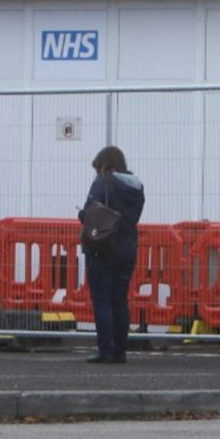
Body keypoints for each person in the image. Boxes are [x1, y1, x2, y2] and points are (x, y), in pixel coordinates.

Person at [79, 146, 145, 364]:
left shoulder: (103, 183)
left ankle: (105, 349)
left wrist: (81, 213)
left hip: (103, 248)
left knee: (102, 301)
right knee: (120, 301)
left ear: (104, 165)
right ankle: (120, 351)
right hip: (127, 248)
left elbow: (90, 212)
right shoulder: (137, 187)